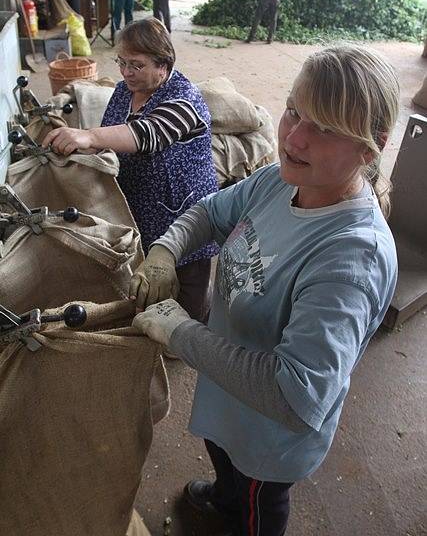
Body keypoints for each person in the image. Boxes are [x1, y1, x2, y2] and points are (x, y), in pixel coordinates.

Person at [131, 44, 400, 535]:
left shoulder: (350, 257)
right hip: (227, 396)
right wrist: (166, 250)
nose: (294, 138)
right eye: (294, 111)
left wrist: (179, 333)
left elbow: (295, 396)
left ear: (371, 146)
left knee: (259, 496)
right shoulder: (280, 181)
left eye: (325, 127)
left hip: (269, 434)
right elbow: (211, 213)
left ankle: (241, 511)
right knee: (224, 455)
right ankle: (224, 495)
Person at [42, 17, 219, 323]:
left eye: (136, 65)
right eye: (122, 62)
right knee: (148, 276)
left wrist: (89, 136)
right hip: (140, 202)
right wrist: (80, 144)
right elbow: (114, 131)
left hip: (183, 208)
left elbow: (147, 134)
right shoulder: (126, 89)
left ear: (163, 65)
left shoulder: (183, 99)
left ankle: (195, 327)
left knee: (188, 282)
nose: (126, 72)